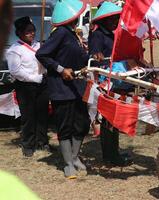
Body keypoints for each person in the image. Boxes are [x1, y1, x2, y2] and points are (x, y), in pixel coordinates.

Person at [36, 0, 90, 179]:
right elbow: (41, 54)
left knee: (82, 124)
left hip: (77, 88)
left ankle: (74, 158)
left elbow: (79, 57)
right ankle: (68, 163)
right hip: (62, 89)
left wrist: (90, 59)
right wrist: (60, 69)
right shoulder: (60, 33)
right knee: (65, 126)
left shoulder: (73, 34)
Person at [88, 1, 132, 166]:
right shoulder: (98, 34)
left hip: (115, 80)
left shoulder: (110, 33)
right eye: (111, 18)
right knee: (109, 119)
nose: (114, 21)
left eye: (116, 18)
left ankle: (113, 152)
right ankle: (110, 155)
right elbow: (94, 55)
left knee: (114, 119)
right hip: (106, 82)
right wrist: (97, 54)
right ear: (104, 20)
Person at [6, 16, 49, 157]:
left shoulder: (39, 46)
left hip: (42, 83)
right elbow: (16, 71)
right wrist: (34, 78)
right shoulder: (14, 50)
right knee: (28, 116)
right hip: (25, 87)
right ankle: (28, 145)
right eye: (27, 31)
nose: (31, 33)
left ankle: (42, 141)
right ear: (20, 33)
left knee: (42, 114)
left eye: (33, 30)